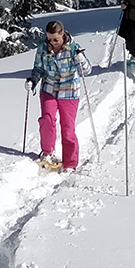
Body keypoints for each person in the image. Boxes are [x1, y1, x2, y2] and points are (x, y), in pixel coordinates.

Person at [28, 19, 90, 172]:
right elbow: (38, 69)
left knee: (68, 128)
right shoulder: (43, 48)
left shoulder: (74, 48)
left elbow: (87, 70)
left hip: (69, 92)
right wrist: (32, 81)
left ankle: (70, 162)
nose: (52, 42)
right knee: (47, 120)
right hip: (48, 89)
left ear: (62, 35)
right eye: (49, 39)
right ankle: (47, 152)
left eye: (55, 39)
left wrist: (81, 61)